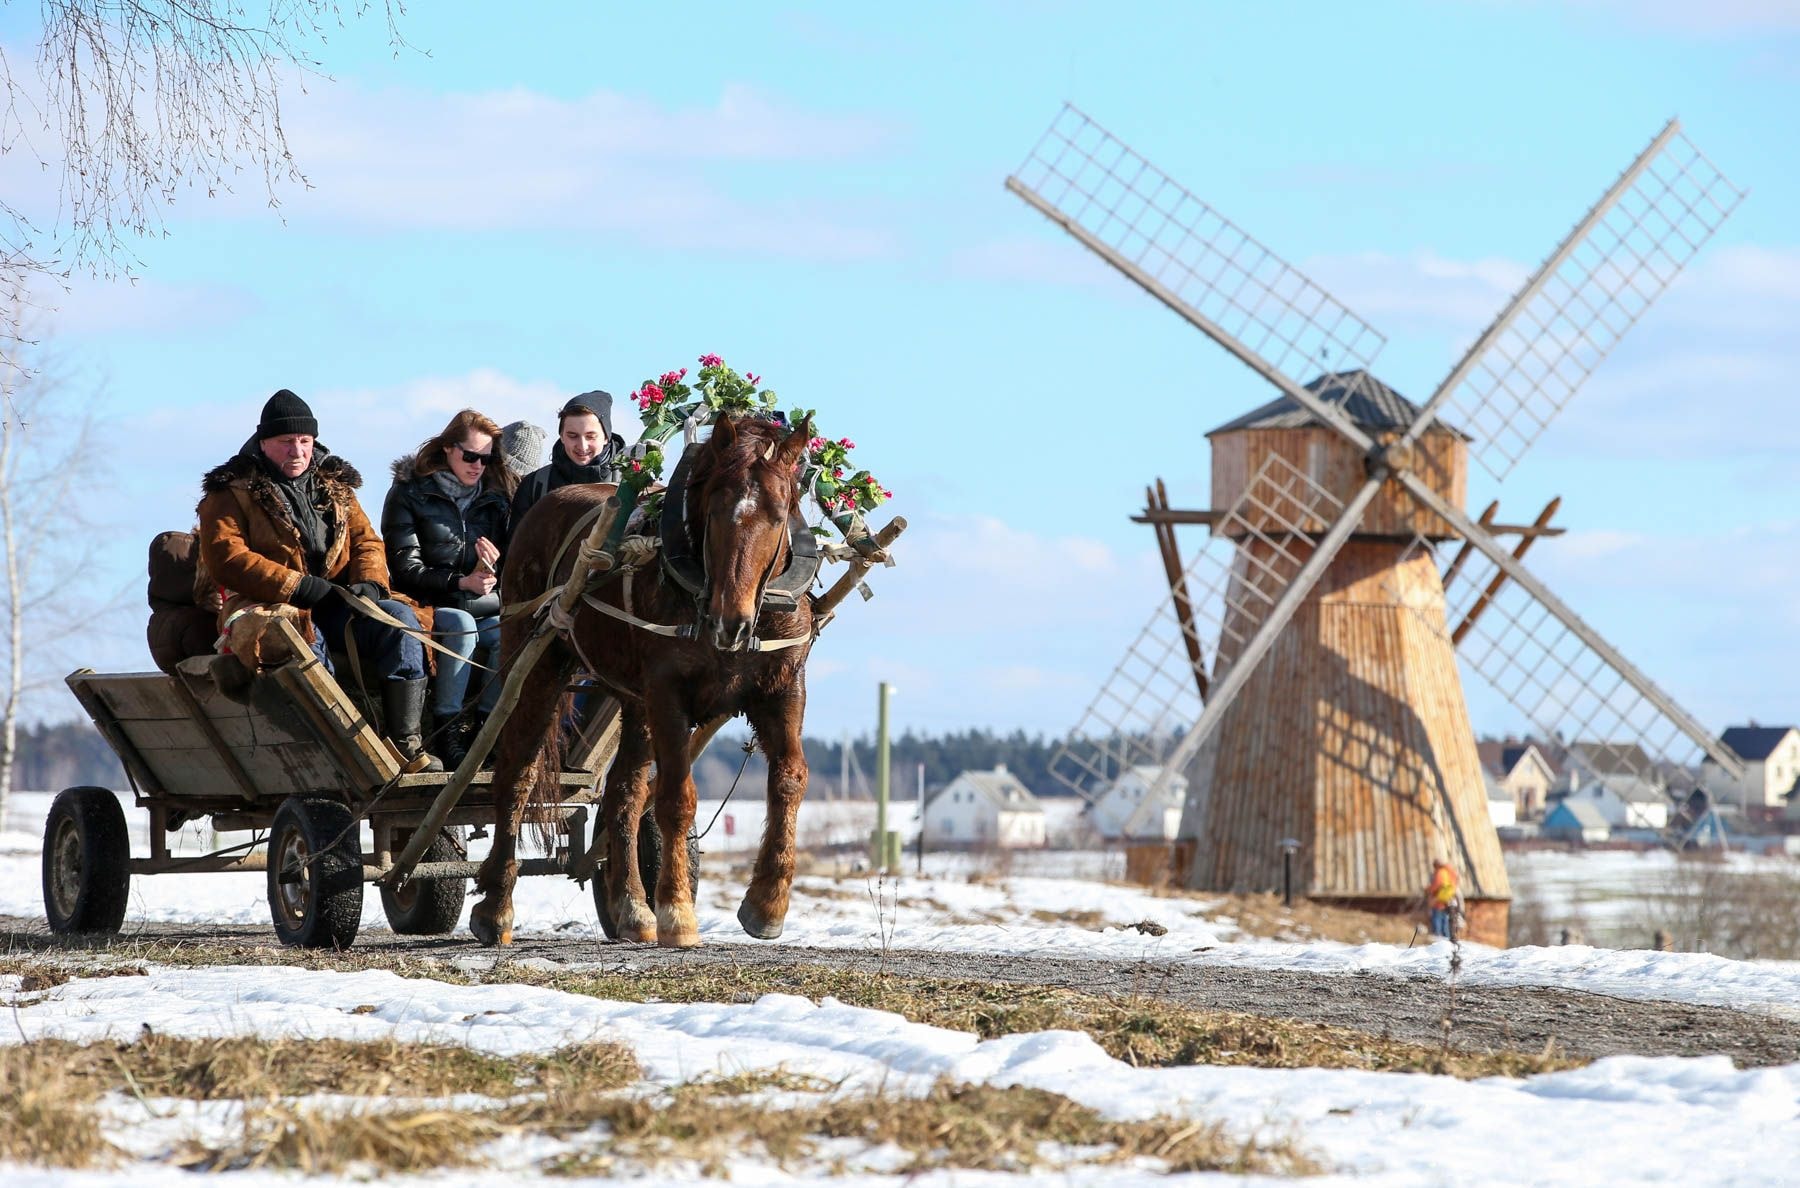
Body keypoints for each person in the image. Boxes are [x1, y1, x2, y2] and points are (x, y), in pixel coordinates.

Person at [197, 389, 440, 769]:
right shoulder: (228, 493)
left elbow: (367, 541)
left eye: (304, 441)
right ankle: (336, 745)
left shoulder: (336, 487)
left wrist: (370, 584)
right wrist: (298, 586)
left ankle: (405, 744)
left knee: (402, 622)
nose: (297, 451)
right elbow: (228, 559)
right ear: (263, 443)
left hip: (340, 602)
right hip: (268, 606)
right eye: (286, 442)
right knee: (301, 638)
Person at [382, 409, 515, 767]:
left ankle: (486, 727)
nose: (478, 466)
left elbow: (511, 564)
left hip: (480, 603)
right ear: (447, 449)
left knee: (512, 633)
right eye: (470, 456)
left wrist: (492, 571)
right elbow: (404, 568)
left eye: (486, 459)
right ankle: (448, 728)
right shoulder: (410, 493)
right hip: (423, 605)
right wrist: (461, 581)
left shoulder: (496, 498)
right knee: (461, 625)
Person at [509, 391, 625, 527]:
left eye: (590, 436)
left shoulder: (628, 482)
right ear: (562, 436)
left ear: (606, 437)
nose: (582, 446)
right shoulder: (535, 486)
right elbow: (516, 545)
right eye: (572, 436)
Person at [1424, 856, 1461, 939]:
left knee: (1437, 918)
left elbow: (1436, 885)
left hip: (1438, 900)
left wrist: (1428, 890)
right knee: (1445, 920)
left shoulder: (1440, 873)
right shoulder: (1448, 872)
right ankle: (1446, 938)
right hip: (1446, 900)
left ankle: (1438, 937)